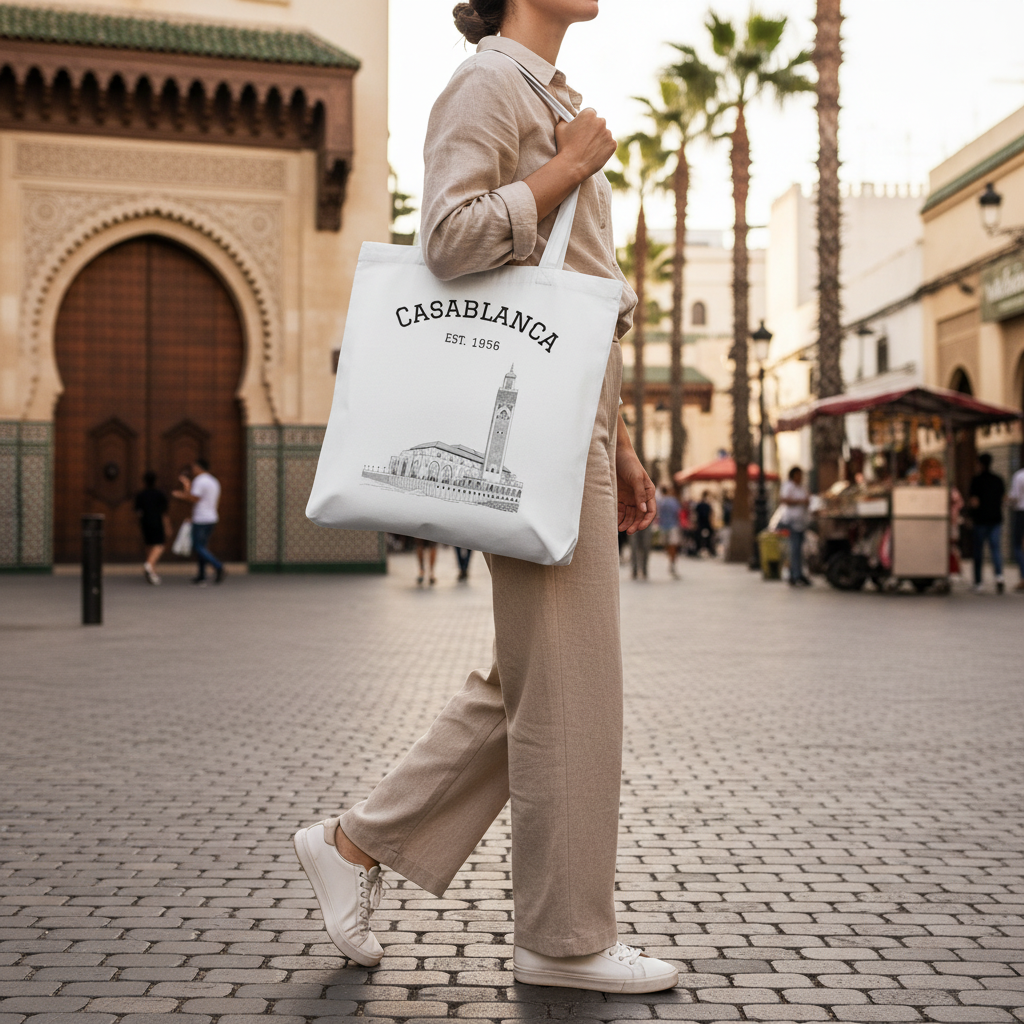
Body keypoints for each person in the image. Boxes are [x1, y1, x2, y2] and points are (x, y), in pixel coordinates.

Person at [291, 0, 676, 995]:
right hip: (537, 438)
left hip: (573, 428)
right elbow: (450, 238)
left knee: (536, 681)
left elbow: (577, 300)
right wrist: (563, 169)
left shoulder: (548, 93)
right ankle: (563, 938)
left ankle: (354, 844)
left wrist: (621, 442)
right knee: (572, 688)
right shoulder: (487, 83)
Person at [173, 459, 224, 586]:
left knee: (198, 546)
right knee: (202, 547)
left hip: (201, 519)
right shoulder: (214, 481)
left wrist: (182, 492)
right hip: (211, 517)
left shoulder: (200, 481)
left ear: (198, 467)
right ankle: (202, 575)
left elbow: (194, 498)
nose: (192, 470)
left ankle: (218, 566)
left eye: (194, 467)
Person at [968, 452, 1006, 593]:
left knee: (978, 551)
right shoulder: (998, 480)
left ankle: (979, 582)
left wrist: (970, 516)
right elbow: (1003, 499)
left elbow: (974, 502)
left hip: (981, 520)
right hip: (995, 519)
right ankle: (999, 577)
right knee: (995, 549)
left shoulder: (976, 480)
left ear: (980, 464)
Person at [134, 471, 171, 585]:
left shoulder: (141, 495)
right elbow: (164, 513)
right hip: (157, 522)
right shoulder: (159, 494)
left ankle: (152, 573)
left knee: (149, 545)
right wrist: (167, 526)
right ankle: (149, 565)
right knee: (159, 545)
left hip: (145, 522)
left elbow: (138, 512)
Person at [779, 466, 811, 586]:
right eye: (798, 475)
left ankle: (797, 573)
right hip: (792, 521)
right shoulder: (788, 486)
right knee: (795, 548)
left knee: (799, 550)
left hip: (801, 521)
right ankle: (795, 575)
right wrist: (801, 501)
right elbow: (784, 500)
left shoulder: (802, 487)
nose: (800, 477)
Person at [656, 484, 681, 578]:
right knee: (673, 545)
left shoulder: (660, 501)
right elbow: (677, 513)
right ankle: (672, 561)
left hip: (664, 526)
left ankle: (671, 559)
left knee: (667, 545)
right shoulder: (673, 501)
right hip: (673, 525)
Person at [1011, 459, 1024, 591]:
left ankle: (1023, 578)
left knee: (1018, 545)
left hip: (1021, 512)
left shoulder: (1019, 475)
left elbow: (1015, 497)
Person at [694, 490, 715, 556]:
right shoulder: (706, 505)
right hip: (704, 523)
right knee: (708, 536)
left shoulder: (700, 505)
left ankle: (700, 549)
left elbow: (695, 514)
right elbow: (710, 515)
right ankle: (709, 549)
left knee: (701, 536)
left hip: (702, 523)